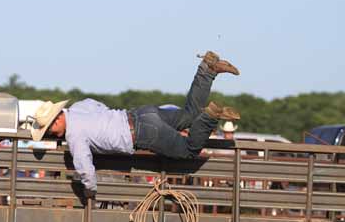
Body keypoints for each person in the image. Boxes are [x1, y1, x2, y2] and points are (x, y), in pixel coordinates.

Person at [29, 51, 241, 198]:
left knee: (189, 150)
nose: (52, 134)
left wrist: (89, 190)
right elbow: (96, 105)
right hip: (141, 114)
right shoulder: (79, 108)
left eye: (49, 130)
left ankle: (211, 115)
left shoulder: (74, 135)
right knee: (189, 115)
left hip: (142, 133)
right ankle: (207, 68)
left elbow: (85, 167)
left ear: (57, 120)